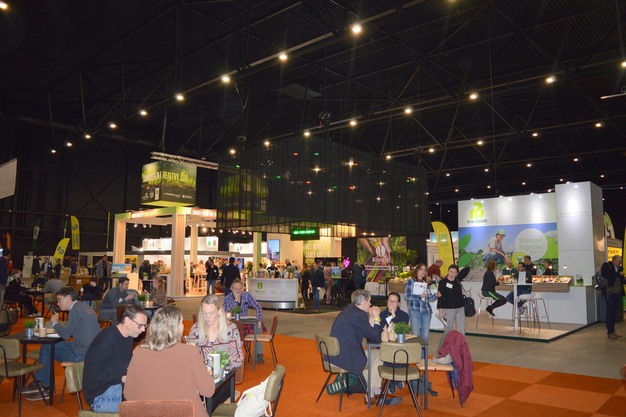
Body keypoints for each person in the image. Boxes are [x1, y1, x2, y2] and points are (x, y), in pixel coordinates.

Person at [124, 306, 215, 417]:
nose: (183, 326)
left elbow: (129, 394)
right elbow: (208, 390)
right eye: (181, 322)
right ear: (175, 328)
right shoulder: (190, 352)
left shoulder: (139, 353)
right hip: (187, 413)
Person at [23, 286, 100, 400]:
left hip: (80, 354)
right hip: (92, 352)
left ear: (68, 298)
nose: (58, 303)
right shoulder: (87, 308)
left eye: (59, 300)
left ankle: (44, 386)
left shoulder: (75, 310)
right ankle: (41, 381)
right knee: (50, 346)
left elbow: (66, 335)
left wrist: (55, 323)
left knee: (48, 347)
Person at [329, 289, 398, 404]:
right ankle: (372, 391)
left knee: (377, 355)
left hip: (337, 354)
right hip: (345, 357)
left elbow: (369, 331)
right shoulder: (358, 315)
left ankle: (372, 389)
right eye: (369, 301)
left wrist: (371, 316)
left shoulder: (350, 310)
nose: (370, 304)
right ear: (364, 302)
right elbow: (375, 337)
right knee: (381, 356)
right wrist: (377, 317)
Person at [83, 305, 148, 412]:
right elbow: (97, 373)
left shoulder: (129, 337)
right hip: (100, 394)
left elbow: (123, 365)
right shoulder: (107, 338)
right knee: (142, 409)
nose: (143, 330)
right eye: (140, 326)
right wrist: (123, 377)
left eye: (145, 326)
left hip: (117, 386)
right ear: (127, 321)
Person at [188, 294, 244, 369]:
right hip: (201, 372)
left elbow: (238, 358)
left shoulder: (231, 329)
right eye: (204, 313)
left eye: (211, 313)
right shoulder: (195, 329)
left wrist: (221, 362)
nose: (207, 317)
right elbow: (190, 360)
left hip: (224, 373)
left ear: (219, 311)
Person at [223, 279, 265, 363]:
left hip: (245, 322)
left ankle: (259, 355)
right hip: (233, 324)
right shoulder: (227, 298)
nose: (238, 291)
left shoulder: (246, 295)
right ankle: (231, 354)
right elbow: (226, 312)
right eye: (236, 289)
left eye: (240, 289)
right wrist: (235, 301)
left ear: (242, 288)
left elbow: (258, 307)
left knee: (258, 328)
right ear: (232, 289)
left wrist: (259, 319)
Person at [435, 264, 465, 354]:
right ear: (448, 271)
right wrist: (440, 311)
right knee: (448, 330)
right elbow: (440, 297)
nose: (452, 274)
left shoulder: (458, 281)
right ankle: (442, 349)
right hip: (448, 309)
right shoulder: (443, 282)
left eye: (454, 272)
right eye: (451, 271)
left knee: (461, 330)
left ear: (457, 273)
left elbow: (466, 270)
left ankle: (460, 350)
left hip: (460, 308)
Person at [404, 263, 437, 343]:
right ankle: (416, 351)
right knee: (416, 335)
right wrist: (419, 296)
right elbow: (407, 296)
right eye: (421, 269)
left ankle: (424, 351)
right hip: (415, 311)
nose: (423, 271)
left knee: (425, 335)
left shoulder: (425, 283)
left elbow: (429, 297)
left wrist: (436, 295)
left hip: (426, 311)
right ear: (417, 270)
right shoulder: (411, 281)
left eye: (425, 270)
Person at [601, 255, 625, 339]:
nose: (620, 263)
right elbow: (607, 275)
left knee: (614, 312)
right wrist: (618, 274)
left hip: (617, 293)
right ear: (614, 260)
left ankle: (612, 330)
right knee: (610, 313)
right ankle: (610, 332)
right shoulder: (607, 266)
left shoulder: (619, 269)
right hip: (610, 293)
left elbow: (622, 281)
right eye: (619, 261)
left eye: (621, 261)